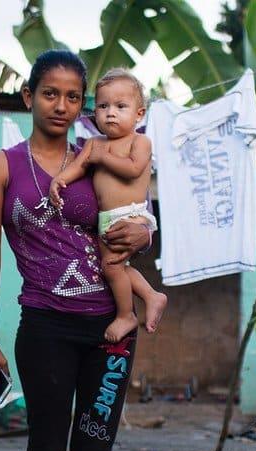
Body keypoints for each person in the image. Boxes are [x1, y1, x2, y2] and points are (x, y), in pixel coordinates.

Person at [0, 51, 153, 451]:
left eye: (73, 97)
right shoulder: (0, 167)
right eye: (50, 94)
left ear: (83, 107)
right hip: (44, 327)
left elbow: (133, 212)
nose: (61, 106)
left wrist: (146, 234)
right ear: (29, 97)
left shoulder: (96, 157)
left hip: (110, 330)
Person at [48, 68, 167, 342]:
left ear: (139, 114)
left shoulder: (140, 142)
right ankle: (151, 295)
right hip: (106, 219)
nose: (110, 112)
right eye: (103, 106)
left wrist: (102, 157)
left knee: (113, 266)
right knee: (112, 267)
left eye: (120, 106)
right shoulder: (93, 143)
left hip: (132, 215)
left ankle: (127, 315)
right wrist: (59, 180)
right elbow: (78, 167)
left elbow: (133, 169)